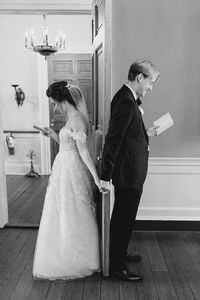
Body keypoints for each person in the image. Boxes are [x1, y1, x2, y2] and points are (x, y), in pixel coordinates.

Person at [33, 81, 101, 280]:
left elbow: (83, 151)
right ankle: (60, 251)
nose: (55, 107)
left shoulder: (77, 118)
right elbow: (68, 145)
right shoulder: (72, 117)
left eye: (55, 103)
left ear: (63, 100)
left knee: (72, 210)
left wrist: (96, 177)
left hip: (71, 170)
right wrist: (54, 134)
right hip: (63, 166)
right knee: (60, 210)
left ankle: (76, 258)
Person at [100, 59, 160, 282]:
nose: (150, 87)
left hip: (132, 171)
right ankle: (116, 266)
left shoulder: (128, 99)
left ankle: (120, 253)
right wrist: (105, 176)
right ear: (139, 78)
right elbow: (113, 140)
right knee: (122, 219)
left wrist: (147, 134)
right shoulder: (125, 101)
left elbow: (129, 134)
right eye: (150, 82)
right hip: (127, 173)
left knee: (126, 217)